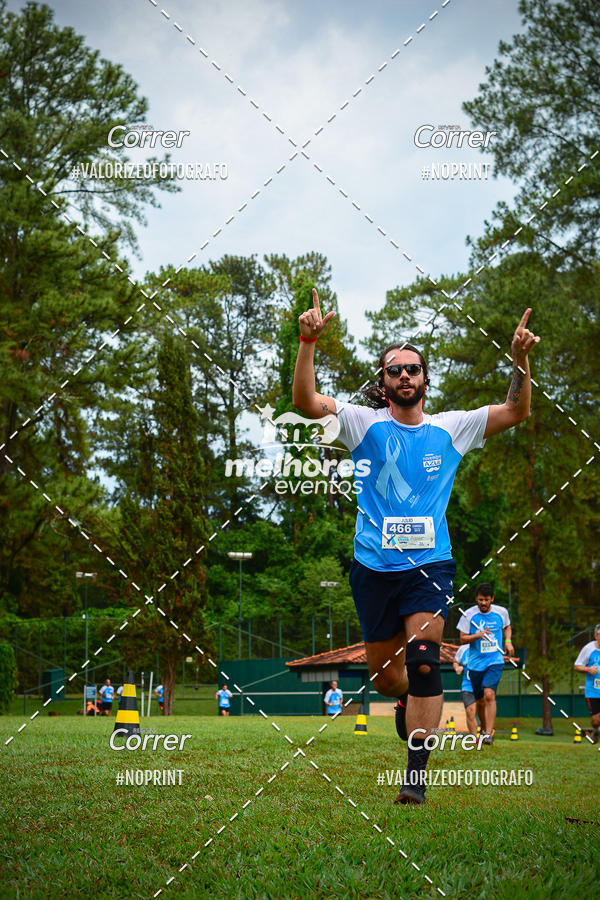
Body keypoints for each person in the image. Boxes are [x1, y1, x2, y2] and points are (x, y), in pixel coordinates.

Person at [292, 289, 538, 804]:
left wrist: (520, 360)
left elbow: (516, 410)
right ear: (382, 385)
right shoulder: (362, 423)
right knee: (388, 679)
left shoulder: (452, 428)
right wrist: (308, 342)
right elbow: (306, 403)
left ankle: (415, 778)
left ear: (425, 380)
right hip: (372, 568)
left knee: (426, 658)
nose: (404, 376)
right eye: (394, 371)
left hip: (430, 564)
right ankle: (406, 699)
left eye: (413, 369)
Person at [457, 584, 513, 745]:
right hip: (475, 665)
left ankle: (488, 734)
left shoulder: (501, 612)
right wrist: (477, 635)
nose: (483, 603)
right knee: (480, 701)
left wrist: (508, 642)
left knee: (489, 694)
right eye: (480, 600)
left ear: (492, 599)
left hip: (495, 660)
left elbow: (507, 627)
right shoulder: (468, 615)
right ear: (476, 599)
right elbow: (462, 638)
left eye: (486, 600)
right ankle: (483, 729)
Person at [573, 624, 600, 744]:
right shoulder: (588, 649)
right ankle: (596, 731)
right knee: (595, 720)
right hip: (593, 690)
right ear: (595, 635)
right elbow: (577, 665)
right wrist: (588, 669)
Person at [453, 644, 477, 736]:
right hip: (468, 685)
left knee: (484, 711)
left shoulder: (485, 644)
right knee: (470, 711)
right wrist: (457, 668)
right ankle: (475, 739)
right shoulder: (463, 648)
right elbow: (455, 661)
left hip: (483, 684)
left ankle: (487, 734)